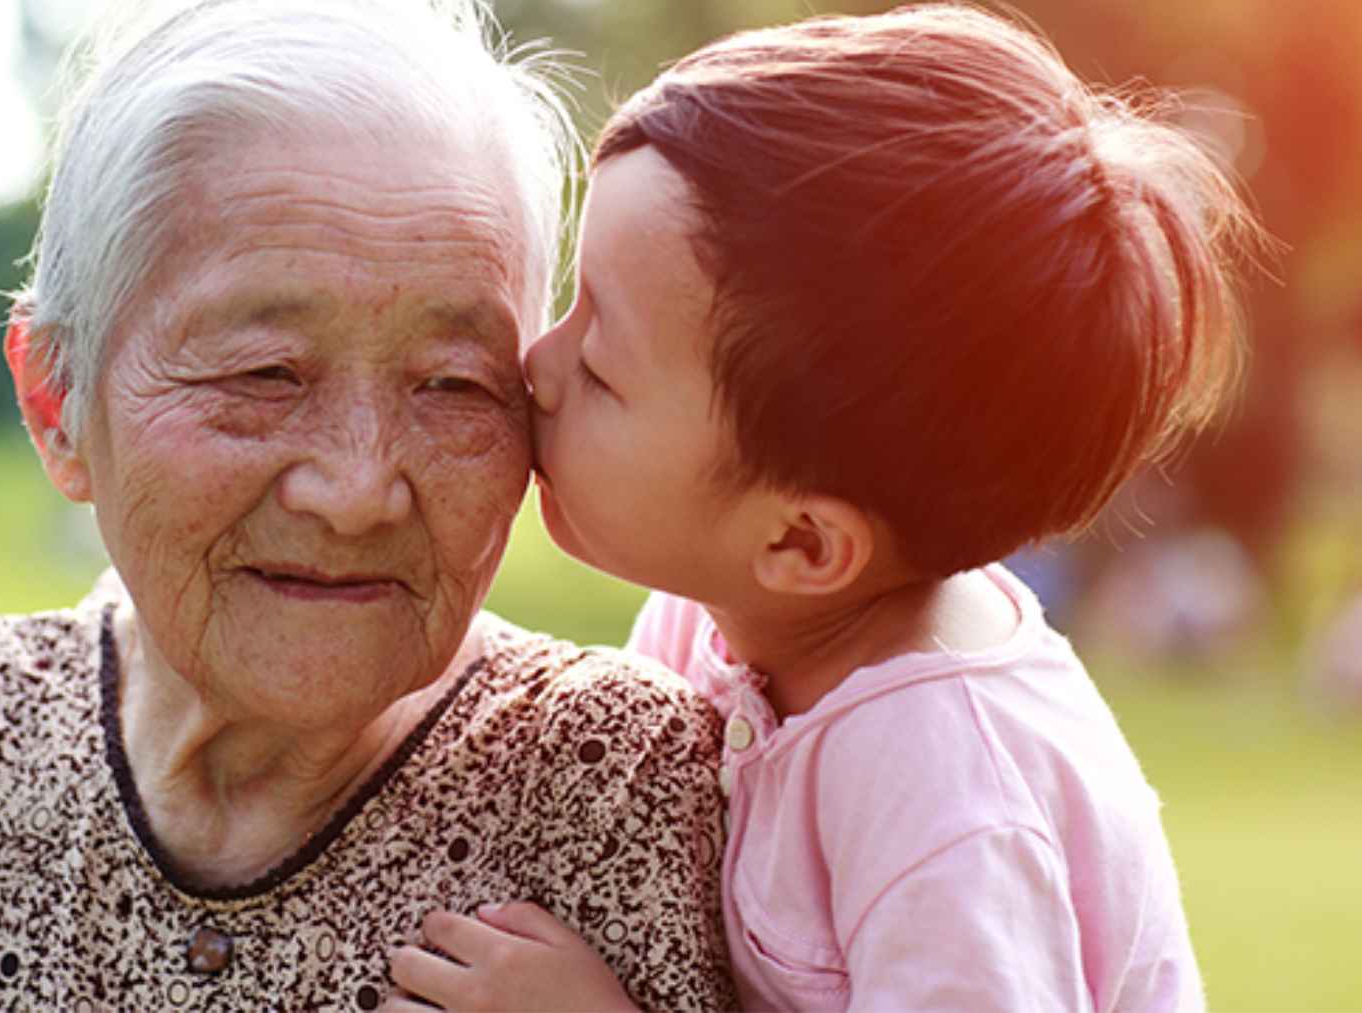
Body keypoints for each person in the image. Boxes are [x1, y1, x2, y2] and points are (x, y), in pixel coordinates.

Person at [0, 1, 738, 1008]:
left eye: (454, 383)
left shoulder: (630, 782)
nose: (358, 488)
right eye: (264, 373)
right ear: (55, 399)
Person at [388, 5, 1260, 1010]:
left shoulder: (950, 804)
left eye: (601, 363)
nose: (537, 364)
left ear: (801, 539)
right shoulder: (718, 613)